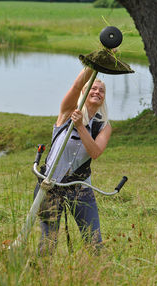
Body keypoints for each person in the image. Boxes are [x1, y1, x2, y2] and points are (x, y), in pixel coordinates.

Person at [36, 66, 112, 255]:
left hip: (80, 188)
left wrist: (80, 127)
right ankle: (40, 278)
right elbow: (77, 84)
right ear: (85, 92)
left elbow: (95, 152)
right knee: (48, 243)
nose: (97, 92)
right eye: (93, 88)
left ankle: (98, 279)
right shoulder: (68, 111)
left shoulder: (104, 126)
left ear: (104, 98)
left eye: (101, 91)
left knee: (94, 242)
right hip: (50, 185)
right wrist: (95, 64)